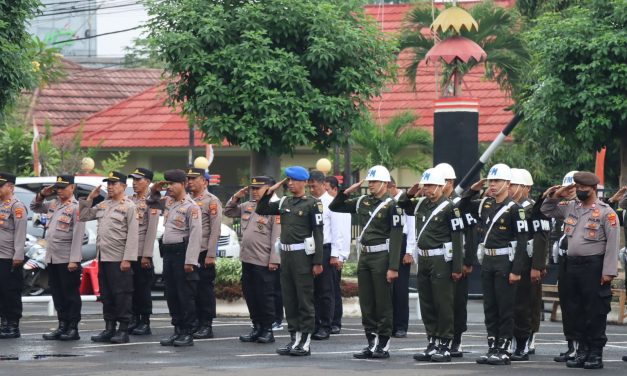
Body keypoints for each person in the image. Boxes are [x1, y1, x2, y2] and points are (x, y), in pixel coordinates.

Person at [541, 171, 620, 369]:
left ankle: (595, 353)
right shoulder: (571, 208)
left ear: (593, 189)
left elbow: (613, 244)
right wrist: (557, 194)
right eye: (576, 188)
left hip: (594, 267)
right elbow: (546, 209)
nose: (579, 191)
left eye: (583, 188)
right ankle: (582, 350)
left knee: (594, 311)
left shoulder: (606, 212)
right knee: (574, 309)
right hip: (572, 266)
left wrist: (608, 271)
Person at [330, 165, 403, 359]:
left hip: (382, 256)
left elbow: (396, 237)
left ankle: (384, 344)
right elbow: (335, 206)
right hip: (365, 256)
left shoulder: (392, 205)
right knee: (367, 301)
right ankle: (371, 343)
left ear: (386, 184)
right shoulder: (362, 201)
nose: (371, 185)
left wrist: (393, 266)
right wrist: (345, 193)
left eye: (375, 182)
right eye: (370, 181)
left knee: (383, 302)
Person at [459, 163, 528, 366]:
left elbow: (522, 241)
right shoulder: (486, 204)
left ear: (508, 184)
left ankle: (504, 349)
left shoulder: (516, 209)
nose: (493, 184)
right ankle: (492, 347)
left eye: (497, 181)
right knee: (490, 307)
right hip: (488, 261)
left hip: (505, 262)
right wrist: (474, 189)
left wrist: (516, 270)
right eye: (491, 181)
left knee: (505, 307)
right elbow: (461, 207)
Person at [256, 166, 324, 356]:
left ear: (304, 182)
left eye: (294, 180)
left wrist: (317, 261)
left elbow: (318, 233)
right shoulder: (284, 201)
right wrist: (270, 192)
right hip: (286, 257)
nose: (290, 183)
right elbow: (261, 209)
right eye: (288, 180)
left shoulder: (313, 204)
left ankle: (305, 341)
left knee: (304, 299)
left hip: (303, 256)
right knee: (290, 299)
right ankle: (294, 338)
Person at [399, 168, 463, 362]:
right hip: (424, 259)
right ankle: (432, 341)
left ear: (440, 186)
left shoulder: (451, 207)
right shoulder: (421, 205)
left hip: (441, 259)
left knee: (442, 303)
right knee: (427, 302)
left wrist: (457, 267)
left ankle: (444, 344)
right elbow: (401, 204)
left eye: (429, 186)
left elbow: (457, 238)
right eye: (424, 185)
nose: (426, 189)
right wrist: (412, 191)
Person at [80, 171, 139, 344]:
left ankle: (123, 330)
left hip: (119, 258)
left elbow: (133, 235)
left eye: (114, 183)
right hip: (104, 258)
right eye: (109, 183)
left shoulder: (129, 206)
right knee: (107, 295)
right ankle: (109, 328)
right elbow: (83, 216)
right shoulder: (103, 205)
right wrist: (90, 198)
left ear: (123, 186)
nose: (110, 186)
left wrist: (127, 259)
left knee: (122, 294)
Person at [148, 169, 202, 347]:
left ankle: (187, 332)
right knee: (171, 294)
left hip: (182, 254)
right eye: (167, 184)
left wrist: (190, 261)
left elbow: (196, 235)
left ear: (183, 184)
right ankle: (177, 330)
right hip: (169, 254)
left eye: (172, 184)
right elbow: (151, 203)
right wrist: (155, 191)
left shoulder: (191, 207)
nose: (169, 187)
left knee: (184, 295)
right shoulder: (169, 203)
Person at [224, 176, 281, 344]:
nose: (255, 192)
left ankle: (267, 330)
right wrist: (236, 197)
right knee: (251, 295)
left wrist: (274, 260)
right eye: (253, 189)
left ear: (270, 189)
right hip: (247, 258)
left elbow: (276, 237)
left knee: (265, 297)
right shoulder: (248, 205)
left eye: (258, 188)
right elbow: (228, 211)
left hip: (264, 261)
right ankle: (256, 326)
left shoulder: (274, 208)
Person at [31, 175, 86, 341]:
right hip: (53, 257)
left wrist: (74, 259)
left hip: (67, 258)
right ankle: (62, 325)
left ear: (72, 188)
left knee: (70, 294)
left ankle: (73, 328)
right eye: (58, 188)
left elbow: (78, 236)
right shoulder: (54, 204)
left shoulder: (77, 207)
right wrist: (42, 194)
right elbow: (35, 206)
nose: (59, 190)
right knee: (57, 294)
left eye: (63, 187)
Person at [434, 162, 478, 357]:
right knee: (440, 303)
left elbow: (470, 234)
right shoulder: (435, 204)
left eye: (442, 181)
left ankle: (456, 340)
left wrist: (468, 262)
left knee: (458, 302)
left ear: (450, 182)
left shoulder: (461, 203)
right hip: (439, 261)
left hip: (457, 260)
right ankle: (441, 338)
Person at [508, 169, 549, 361]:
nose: (511, 189)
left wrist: (538, 264)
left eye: (515, 185)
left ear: (526, 188)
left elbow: (541, 238)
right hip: (512, 259)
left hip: (530, 259)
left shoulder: (535, 208)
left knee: (530, 301)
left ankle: (530, 335)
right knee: (513, 302)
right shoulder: (509, 207)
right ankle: (514, 337)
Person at [308, 170, 347, 340]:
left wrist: (336, 254)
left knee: (326, 290)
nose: (311, 189)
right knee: (313, 291)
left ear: (323, 184)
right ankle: (316, 323)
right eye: (309, 186)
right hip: (310, 250)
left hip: (326, 249)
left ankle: (326, 325)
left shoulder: (332, 203)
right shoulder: (309, 203)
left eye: (314, 186)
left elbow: (338, 230)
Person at [187, 168, 222, 339]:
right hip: (189, 251)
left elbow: (215, 230)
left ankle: (206, 324)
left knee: (204, 290)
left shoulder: (211, 201)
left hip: (202, 251)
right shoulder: (186, 200)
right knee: (191, 289)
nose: (190, 181)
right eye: (188, 178)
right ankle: (194, 322)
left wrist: (211, 254)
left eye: (194, 178)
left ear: (204, 181)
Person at [549, 170, 579, 362]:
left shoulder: (590, 208)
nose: (568, 192)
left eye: (572, 188)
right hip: (564, 262)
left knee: (578, 306)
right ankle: (570, 345)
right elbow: (544, 209)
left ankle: (580, 346)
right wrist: (556, 194)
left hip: (579, 262)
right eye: (565, 188)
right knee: (567, 306)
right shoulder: (563, 208)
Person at [127, 168, 160, 335]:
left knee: (143, 289)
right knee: (131, 288)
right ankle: (134, 318)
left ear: (147, 181)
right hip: (128, 252)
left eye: (138, 179)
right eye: (133, 179)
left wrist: (147, 255)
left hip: (141, 253)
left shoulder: (152, 201)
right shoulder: (129, 200)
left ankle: (145, 321)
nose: (134, 182)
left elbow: (152, 230)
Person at [388, 176, 416, 338]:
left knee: (400, 288)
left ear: (392, 186)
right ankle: (389, 323)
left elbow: (411, 225)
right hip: (388, 242)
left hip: (403, 243)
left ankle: (400, 325)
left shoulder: (405, 200)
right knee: (387, 287)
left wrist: (409, 251)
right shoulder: (386, 202)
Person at [0, 172, 27, 339]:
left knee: (10, 292)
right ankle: (3, 322)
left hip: (9, 257)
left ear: (10, 186)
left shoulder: (16, 206)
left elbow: (20, 233)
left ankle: (13, 325)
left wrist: (18, 255)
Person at [324, 175, 351, 334]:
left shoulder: (341, 208)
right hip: (329, 252)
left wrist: (341, 256)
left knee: (333, 289)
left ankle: (335, 321)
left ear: (335, 189)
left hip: (337, 253)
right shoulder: (329, 206)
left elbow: (343, 234)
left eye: (327, 189)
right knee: (327, 289)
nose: (325, 193)